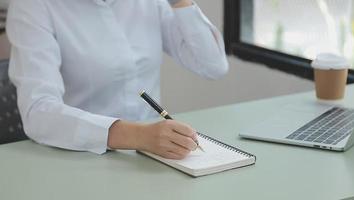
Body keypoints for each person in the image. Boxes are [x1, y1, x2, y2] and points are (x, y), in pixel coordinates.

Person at [6, 0, 229, 159]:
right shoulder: (32, 6)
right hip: (81, 154)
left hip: (156, 154)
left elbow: (212, 66)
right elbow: (38, 112)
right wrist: (138, 136)